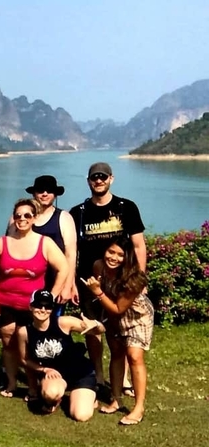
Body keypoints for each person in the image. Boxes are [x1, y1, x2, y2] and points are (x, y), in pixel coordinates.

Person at [70, 162, 147, 395]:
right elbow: (71, 250)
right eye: (94, 177)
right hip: (88, 281)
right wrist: (71, 283)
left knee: (122, 329)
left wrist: (139, 280)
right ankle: (99, 375)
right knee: (92, 329)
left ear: (111, 179)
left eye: (103, 177)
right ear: (88, 181)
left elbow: (138, 245)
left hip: (121, 281)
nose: (99, 181)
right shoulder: (78, 213)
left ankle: (122, 378)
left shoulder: (126, 208)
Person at [0, 198, 68, 396]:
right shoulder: (3, 242)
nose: (22, 219)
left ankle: (33, 387)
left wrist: (51, 296)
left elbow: (63, 267)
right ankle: (11, 383)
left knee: (29, 347)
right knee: (8, 343)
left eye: (27, 215)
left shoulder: (45, 243)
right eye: (18, 215)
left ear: (34, 218)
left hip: (32, 306)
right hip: (4, 302)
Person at [81, 237, 153, 425]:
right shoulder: (99, 266)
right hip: (112, 314)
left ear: (127, 257)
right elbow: (108, 301)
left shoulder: (135, 278)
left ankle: (138, 407)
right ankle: (116, 399)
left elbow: (119, 308)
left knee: (134, 356)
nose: (113, 258)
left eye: (120, 255)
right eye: (111, 252)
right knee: (116, 353)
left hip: (137, 317)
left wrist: (97, 292)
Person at [17, 289, 103, 421]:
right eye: (38, 305)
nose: (43, 309)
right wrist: (44, 369)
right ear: (31, 306)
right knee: (51, 393)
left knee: (81, 416)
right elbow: (24, 359)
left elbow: (99, 330)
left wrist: (96, 324)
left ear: (52, 309)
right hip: (55, 375)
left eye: (47, 306)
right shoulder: (24, 332)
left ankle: (90, 395)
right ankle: (56, 399)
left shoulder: (63, 322)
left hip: (80, 373)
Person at [16, 175, 77, 301]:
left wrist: (67, 286)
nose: (45, 194)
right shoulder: (20, 218)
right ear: (34, 193)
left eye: (49, 190)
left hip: (56, 283)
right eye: (40, 190)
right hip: (25, 284)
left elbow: (71, 255)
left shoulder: (64, 218)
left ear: (55, 194)